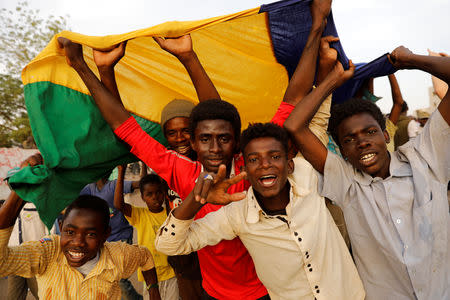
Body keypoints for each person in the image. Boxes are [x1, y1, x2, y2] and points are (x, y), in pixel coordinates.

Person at [283, 46, 450, 300]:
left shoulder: (426, 159)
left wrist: (409, 60)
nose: (362, 142)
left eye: (370, 132)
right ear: (342, 150)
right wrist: (332, 81)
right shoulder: (346, 183)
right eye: (350, 139)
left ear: (386, 135)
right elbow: (294, 126)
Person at [155, 122, 364, 299]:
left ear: (290, 165)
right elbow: (168, 245)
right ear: (245, 169)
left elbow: (315, 121)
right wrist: (196, 199)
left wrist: (334, 78)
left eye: (274, 156)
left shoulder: (307, 174)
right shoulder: (237, 215)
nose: (265, 165)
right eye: (254, 159)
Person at [0, 154, 161, 300]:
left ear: (105, 235)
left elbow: (145, 256)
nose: (77, 242)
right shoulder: (48, 252)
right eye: (70, 232)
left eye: (90, 234)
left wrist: (153, 291)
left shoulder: (118, 255)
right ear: (61, 226)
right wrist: (21, 189)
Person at [114, 165, 179, 300]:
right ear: (143, 197)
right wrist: (121, 172)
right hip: (150, 277)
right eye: (149, 194)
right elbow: (119, 205)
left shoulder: (171, 213)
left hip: (171, 273)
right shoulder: (139, 215)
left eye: (158, 192)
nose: (155, 197)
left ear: (163, 193)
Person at [79, 171, 141, 299]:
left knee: (119, 277)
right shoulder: (89, 188)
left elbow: (139, 184)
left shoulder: (114, 185)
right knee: (109, 277)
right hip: (105, 241)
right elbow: (73, 195)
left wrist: (126, 170)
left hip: (122, 237)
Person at [7, 201, 51, 300]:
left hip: (35, 259)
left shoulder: (41, 203)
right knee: (13, 296)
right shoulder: (9, 205)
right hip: (14, 259)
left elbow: (50, 232)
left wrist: (44, 253)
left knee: (42, 295)